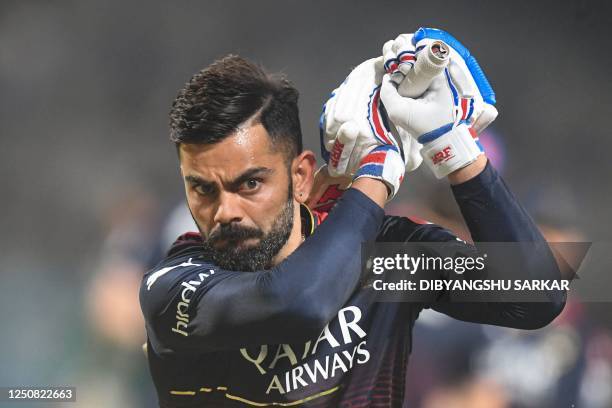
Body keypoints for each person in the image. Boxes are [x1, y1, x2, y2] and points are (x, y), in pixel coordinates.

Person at [139, 28, 567, 407]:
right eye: (202, 189)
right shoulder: (174, 283)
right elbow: (299, 302)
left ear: (301, 176)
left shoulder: (386, 255)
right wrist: (378, 169)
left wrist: (453, 146)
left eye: (250, 184)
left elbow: (536, 296)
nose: (225, 212)